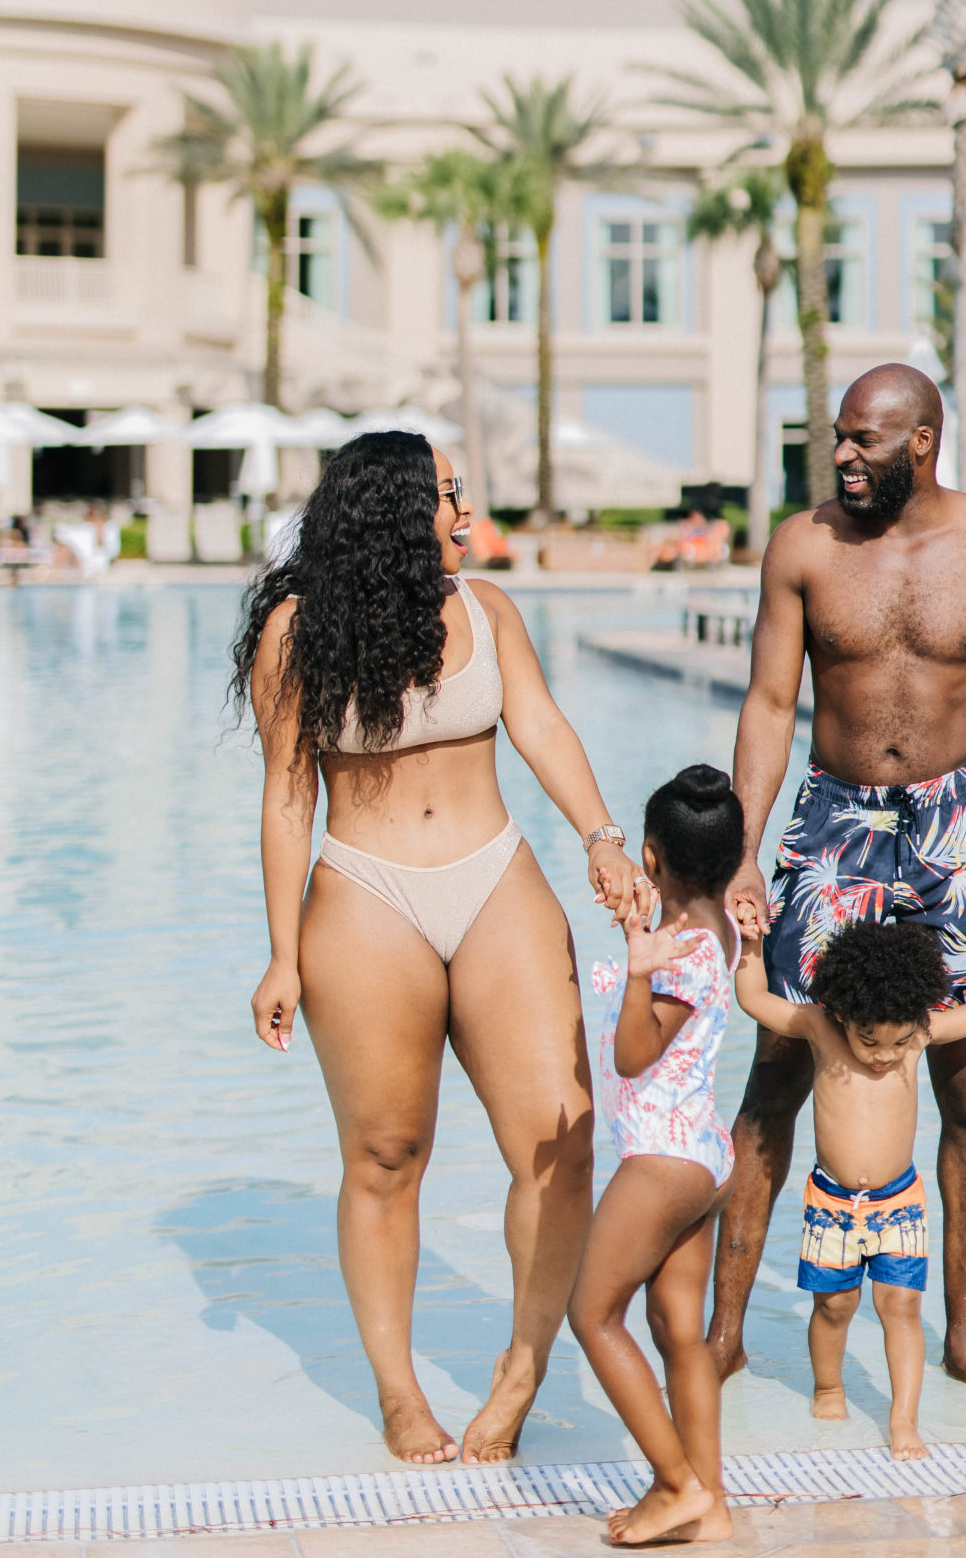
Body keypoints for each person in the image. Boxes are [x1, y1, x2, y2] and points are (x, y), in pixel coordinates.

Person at [236, 431, 642, 1466]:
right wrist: (282, 953)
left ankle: (519, 1371)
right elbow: (288, 797)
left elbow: (542, 728)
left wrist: (602, 839)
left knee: (562, 1136)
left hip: (495, 878)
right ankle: (399, 1390)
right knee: (383, 1157)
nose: (465, 515)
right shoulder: (297, 632)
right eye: (450, 496)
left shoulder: (487, 612)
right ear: (391, 511)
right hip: (365, 896)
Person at [709, 362, 966, 1404]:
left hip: (958, 827)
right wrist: (743, 851)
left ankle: (960, 1340)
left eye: (865, 440)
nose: (843, 456)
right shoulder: (805, 547)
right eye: (839, 438)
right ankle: (725, 1336)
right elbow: (772, 704)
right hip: (835, 821)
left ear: (922, 441)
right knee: (779, 1067)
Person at [734, 913, 966, 1456]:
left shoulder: (918, 1033)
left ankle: (903, 1420)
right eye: (868, 1040)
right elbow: (753, 998)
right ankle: (828, 1385)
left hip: (899, 1206)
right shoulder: (820, 1027)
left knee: (901, 1309)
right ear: (843, 1013)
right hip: (831, 1206)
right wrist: (751, 941)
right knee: (834, 1309)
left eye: (897, 1042)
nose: (884, 1055)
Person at [570, 766, 743, 1546]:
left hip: (663, 1157)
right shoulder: (717, 928)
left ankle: (674, 1485)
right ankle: (710, 1501)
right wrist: (645, 938)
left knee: (593, 1314)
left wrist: (638, 973)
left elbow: (637, 1055)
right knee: (678, 1328)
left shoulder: (680, 955)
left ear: (649, 855)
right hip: (702, 1152)